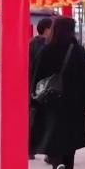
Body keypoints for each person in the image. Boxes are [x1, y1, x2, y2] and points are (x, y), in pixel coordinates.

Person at [30, 17, 85, 169]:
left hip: (51, 99)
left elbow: (36, 75)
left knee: (52, 133)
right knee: (71, 135)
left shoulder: (46, 50)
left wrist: (32, 99)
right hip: (74, 100)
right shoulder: (78, 51)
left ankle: (57, 163)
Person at [28, 18, 54, 160]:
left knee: (33, 118)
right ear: (47, 30)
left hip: (32, 86)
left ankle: (30, 149)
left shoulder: (30, 43)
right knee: (48, 119)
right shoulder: (49, 45)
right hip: (47, 87)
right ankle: (49, 152)